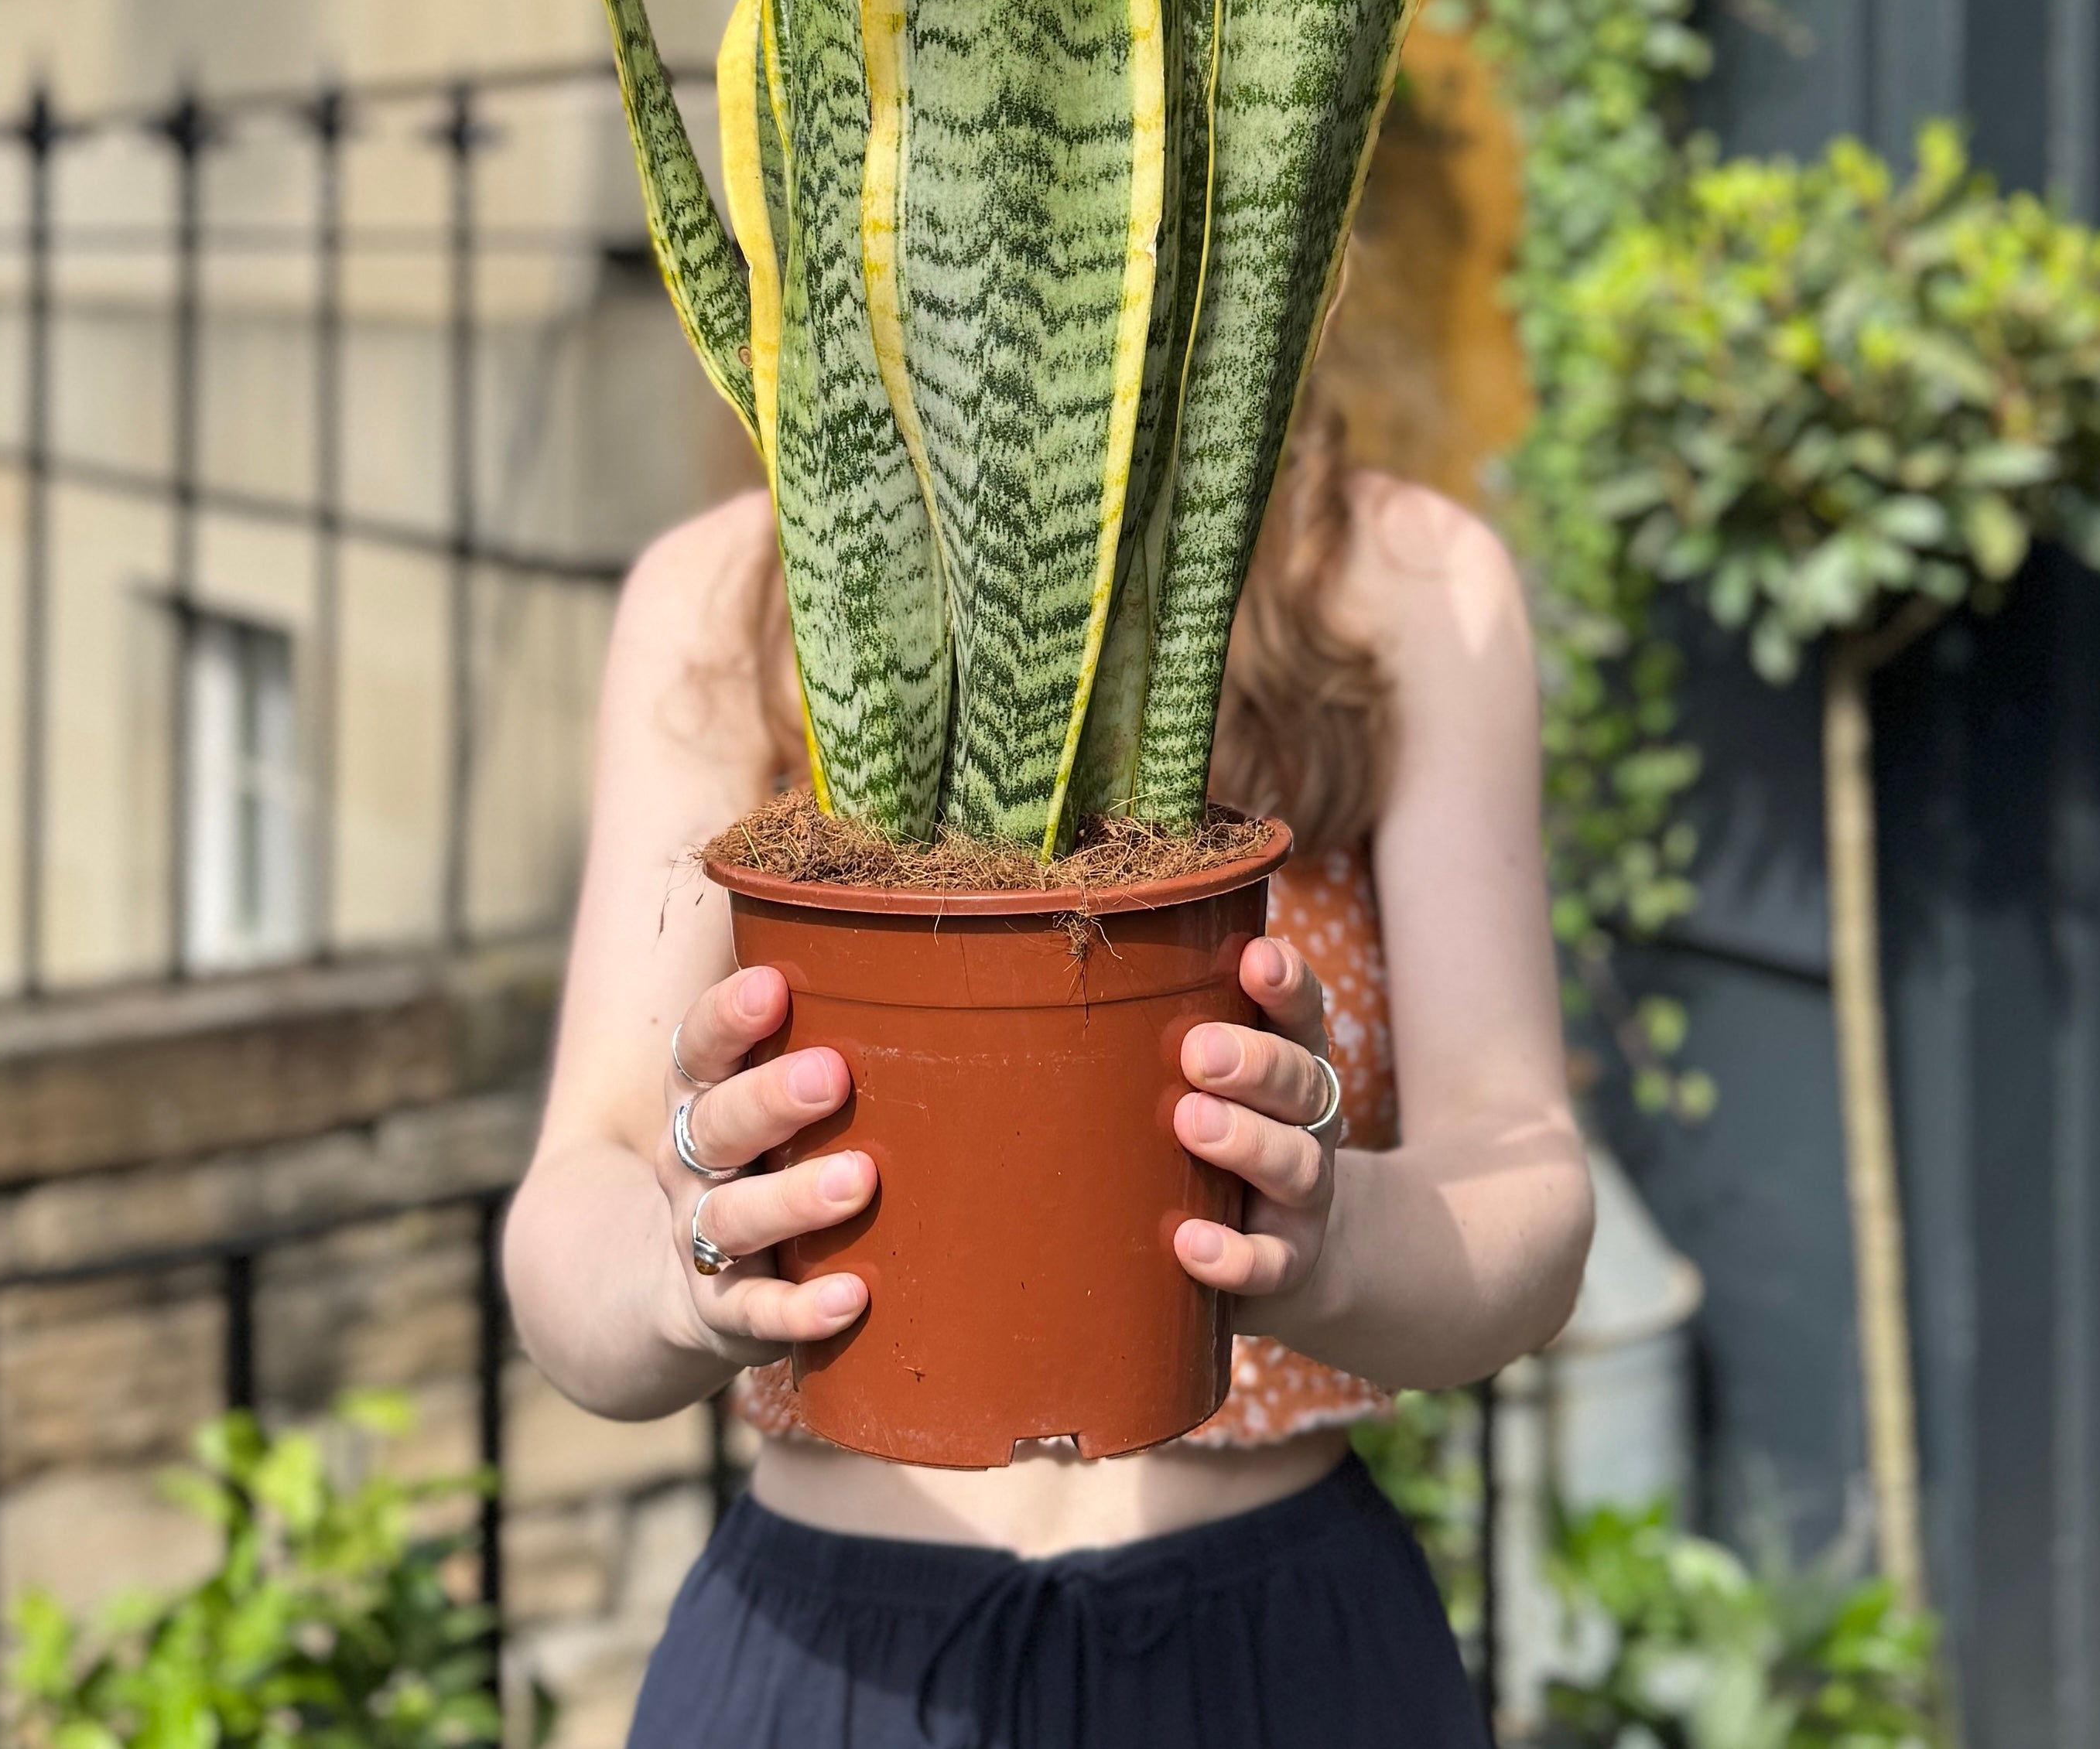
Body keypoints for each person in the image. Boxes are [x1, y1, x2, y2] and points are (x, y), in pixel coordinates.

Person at [503, 401, 1593, 1746]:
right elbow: (572, 1227)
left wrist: (1332, 1236)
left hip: (1272, 1664)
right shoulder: (727, 593)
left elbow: (1526, 1188)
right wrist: (683, 1270)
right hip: (826, 1666)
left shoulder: (1406, 577)